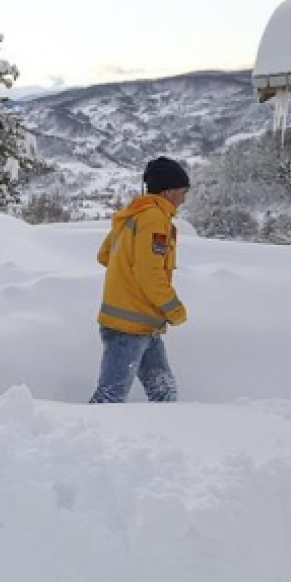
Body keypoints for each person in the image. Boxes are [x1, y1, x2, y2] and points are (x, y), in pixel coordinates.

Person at [89, 156, 190, 403]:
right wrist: (174, 308)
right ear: (168, 190)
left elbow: (105, 255)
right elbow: (149, 272)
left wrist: (125, 270)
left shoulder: (132, 214)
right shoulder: (154, 219)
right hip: (129, 326)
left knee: (164, 393)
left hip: (143, 322)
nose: (184, 197)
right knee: (109, 398)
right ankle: (81, 439)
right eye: (182, 190)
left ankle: (166, 436)